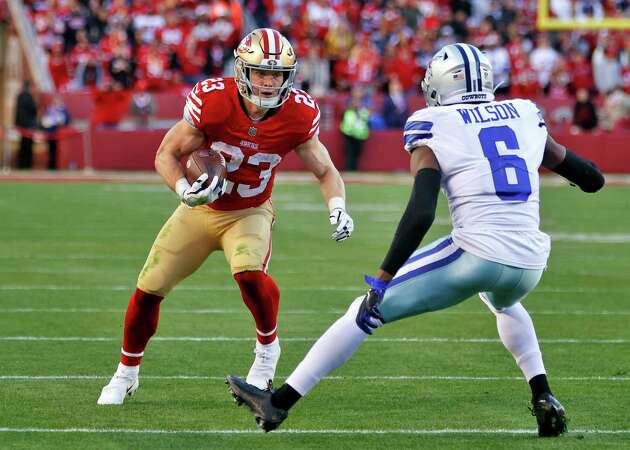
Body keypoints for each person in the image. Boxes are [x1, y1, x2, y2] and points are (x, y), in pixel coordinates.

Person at [227, 43, 605, 437]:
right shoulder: (525, 113)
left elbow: (421, 212)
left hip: (476, 253)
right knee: (503, 301)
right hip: (530, 263)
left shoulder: (434, 122)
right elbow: (591, 180)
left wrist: (384, 276)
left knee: (363, 311)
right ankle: (543, 395)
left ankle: (278, 403)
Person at [97, 28, 354, 405]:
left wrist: (337, 207)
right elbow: (166, 155)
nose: (268, 82)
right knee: (149, 287)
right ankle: (125, 373)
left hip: (250, 211)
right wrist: (186, 191)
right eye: (261, 73)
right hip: (201, 211)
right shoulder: (213, 101)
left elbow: (326, 170)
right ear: (241, 71)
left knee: (248, 270)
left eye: (277, 75)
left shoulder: (299, 113)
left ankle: (267, 352)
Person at [340, 88, 369, 171]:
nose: (356, 104)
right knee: (349, 154)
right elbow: (345, 123)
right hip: (349, 136)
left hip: (359, 136)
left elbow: (366, 122)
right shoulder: (348, 112)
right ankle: (349, 170)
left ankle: (354, 170)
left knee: (357, 154)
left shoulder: (362, 112)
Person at [40, 95, 71, 170]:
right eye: (55, 101)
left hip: (60, 134)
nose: (56, 102)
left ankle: (60, 166)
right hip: (51, 133)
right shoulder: (49, 110)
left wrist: (62, 121)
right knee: (51, 150)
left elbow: (68, 120)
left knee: (59, 152)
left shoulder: (64, 110)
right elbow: (44, 121)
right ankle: (51, 167)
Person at [14, 81, 38, 169]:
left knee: (22, 146)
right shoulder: (28, 97)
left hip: (21, 126)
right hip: (28, 126)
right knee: (27, 146)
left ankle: (21, 165)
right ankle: (27, 165)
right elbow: (33, 109)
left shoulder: (19, 96)